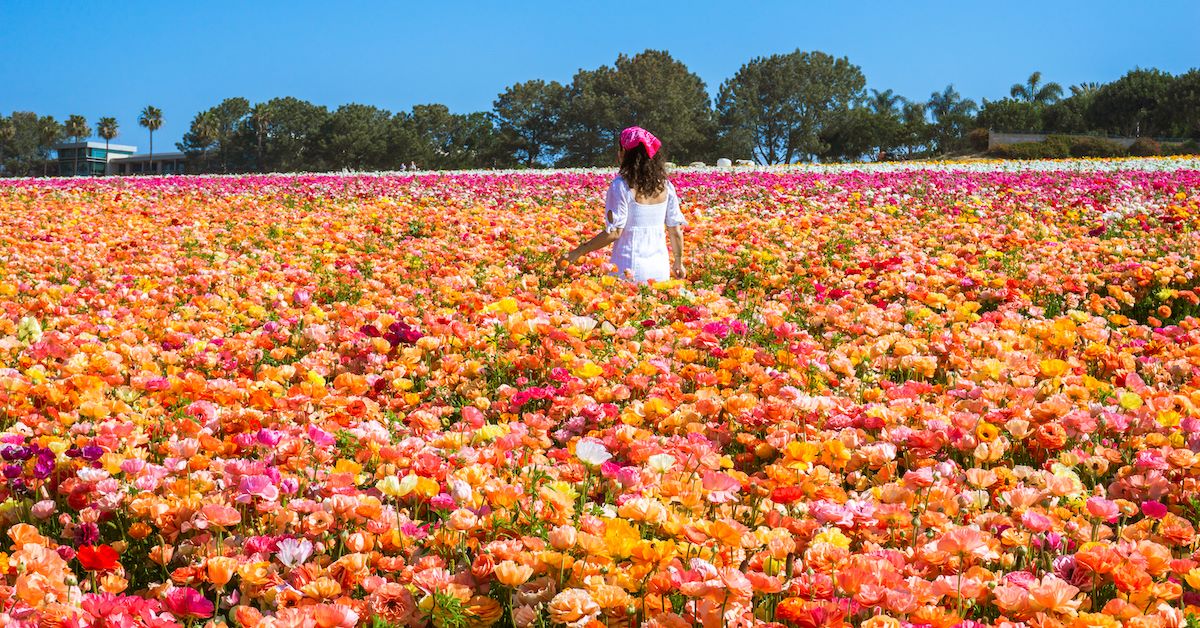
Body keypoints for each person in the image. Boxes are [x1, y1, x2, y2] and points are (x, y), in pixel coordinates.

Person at [559, 126, 686, 282]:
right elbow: (675, 230)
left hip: (628, 268)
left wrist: (578, 251)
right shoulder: (666, 186)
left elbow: (614, 232)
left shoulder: (621, 185)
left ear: (624, 153)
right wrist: (678, 262)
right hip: (660, 269)